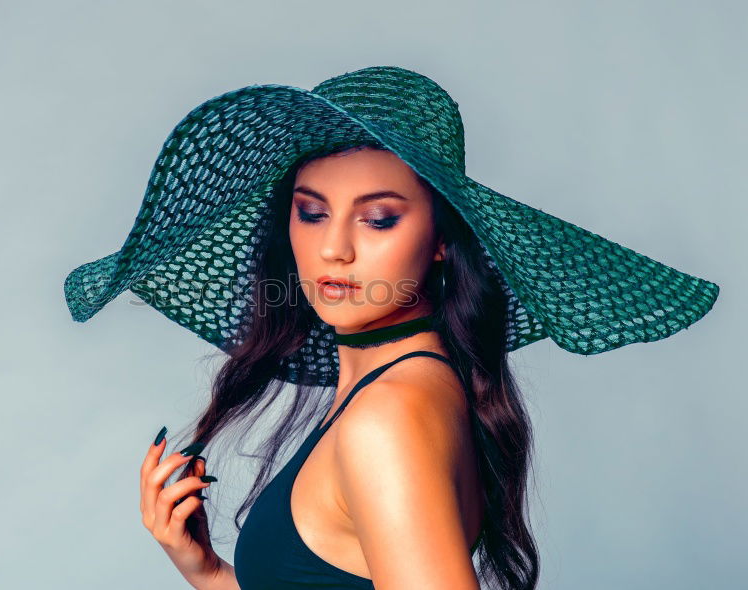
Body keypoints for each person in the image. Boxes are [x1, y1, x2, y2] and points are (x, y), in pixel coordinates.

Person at [67, 65, 719, 590]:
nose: (335, 250)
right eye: (312, 213)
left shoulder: (389, 416)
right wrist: (205, 571)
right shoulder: (396, 392)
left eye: (378, 219)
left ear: (440, 240)